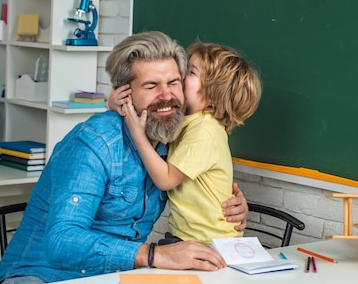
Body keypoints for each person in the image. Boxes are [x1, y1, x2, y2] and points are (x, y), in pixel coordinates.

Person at [0, 31, 249, 284]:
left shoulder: (171, 140)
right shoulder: (95, 144)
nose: (166, 95)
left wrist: (232, 205)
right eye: (151, 86)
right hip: (41, 279)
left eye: (174, 82)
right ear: (124, 93)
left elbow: (199, 180)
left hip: (111, 281)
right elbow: (62, 240)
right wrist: (153, 255)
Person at [111, 42, 262, 246]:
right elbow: (142, 109)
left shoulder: (204, 131)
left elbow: (166, 180)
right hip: (193, 237)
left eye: (191, 72)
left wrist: (137, 134)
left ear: (213, 96)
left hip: (209, 242)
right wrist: (114, 103)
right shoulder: (184, 120)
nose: (180, 76)